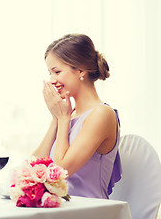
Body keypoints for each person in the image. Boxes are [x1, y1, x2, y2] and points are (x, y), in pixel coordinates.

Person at [33, 34, 121, 199]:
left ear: (80, 70)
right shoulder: (66, 114)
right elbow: (32, 167)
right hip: (61, 210)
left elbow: (60, 171)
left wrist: (63, 120)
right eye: (50, 73)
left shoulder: (101, 114)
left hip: (89, 211)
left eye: (57, 72)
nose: (52, 80)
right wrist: (56, 119)